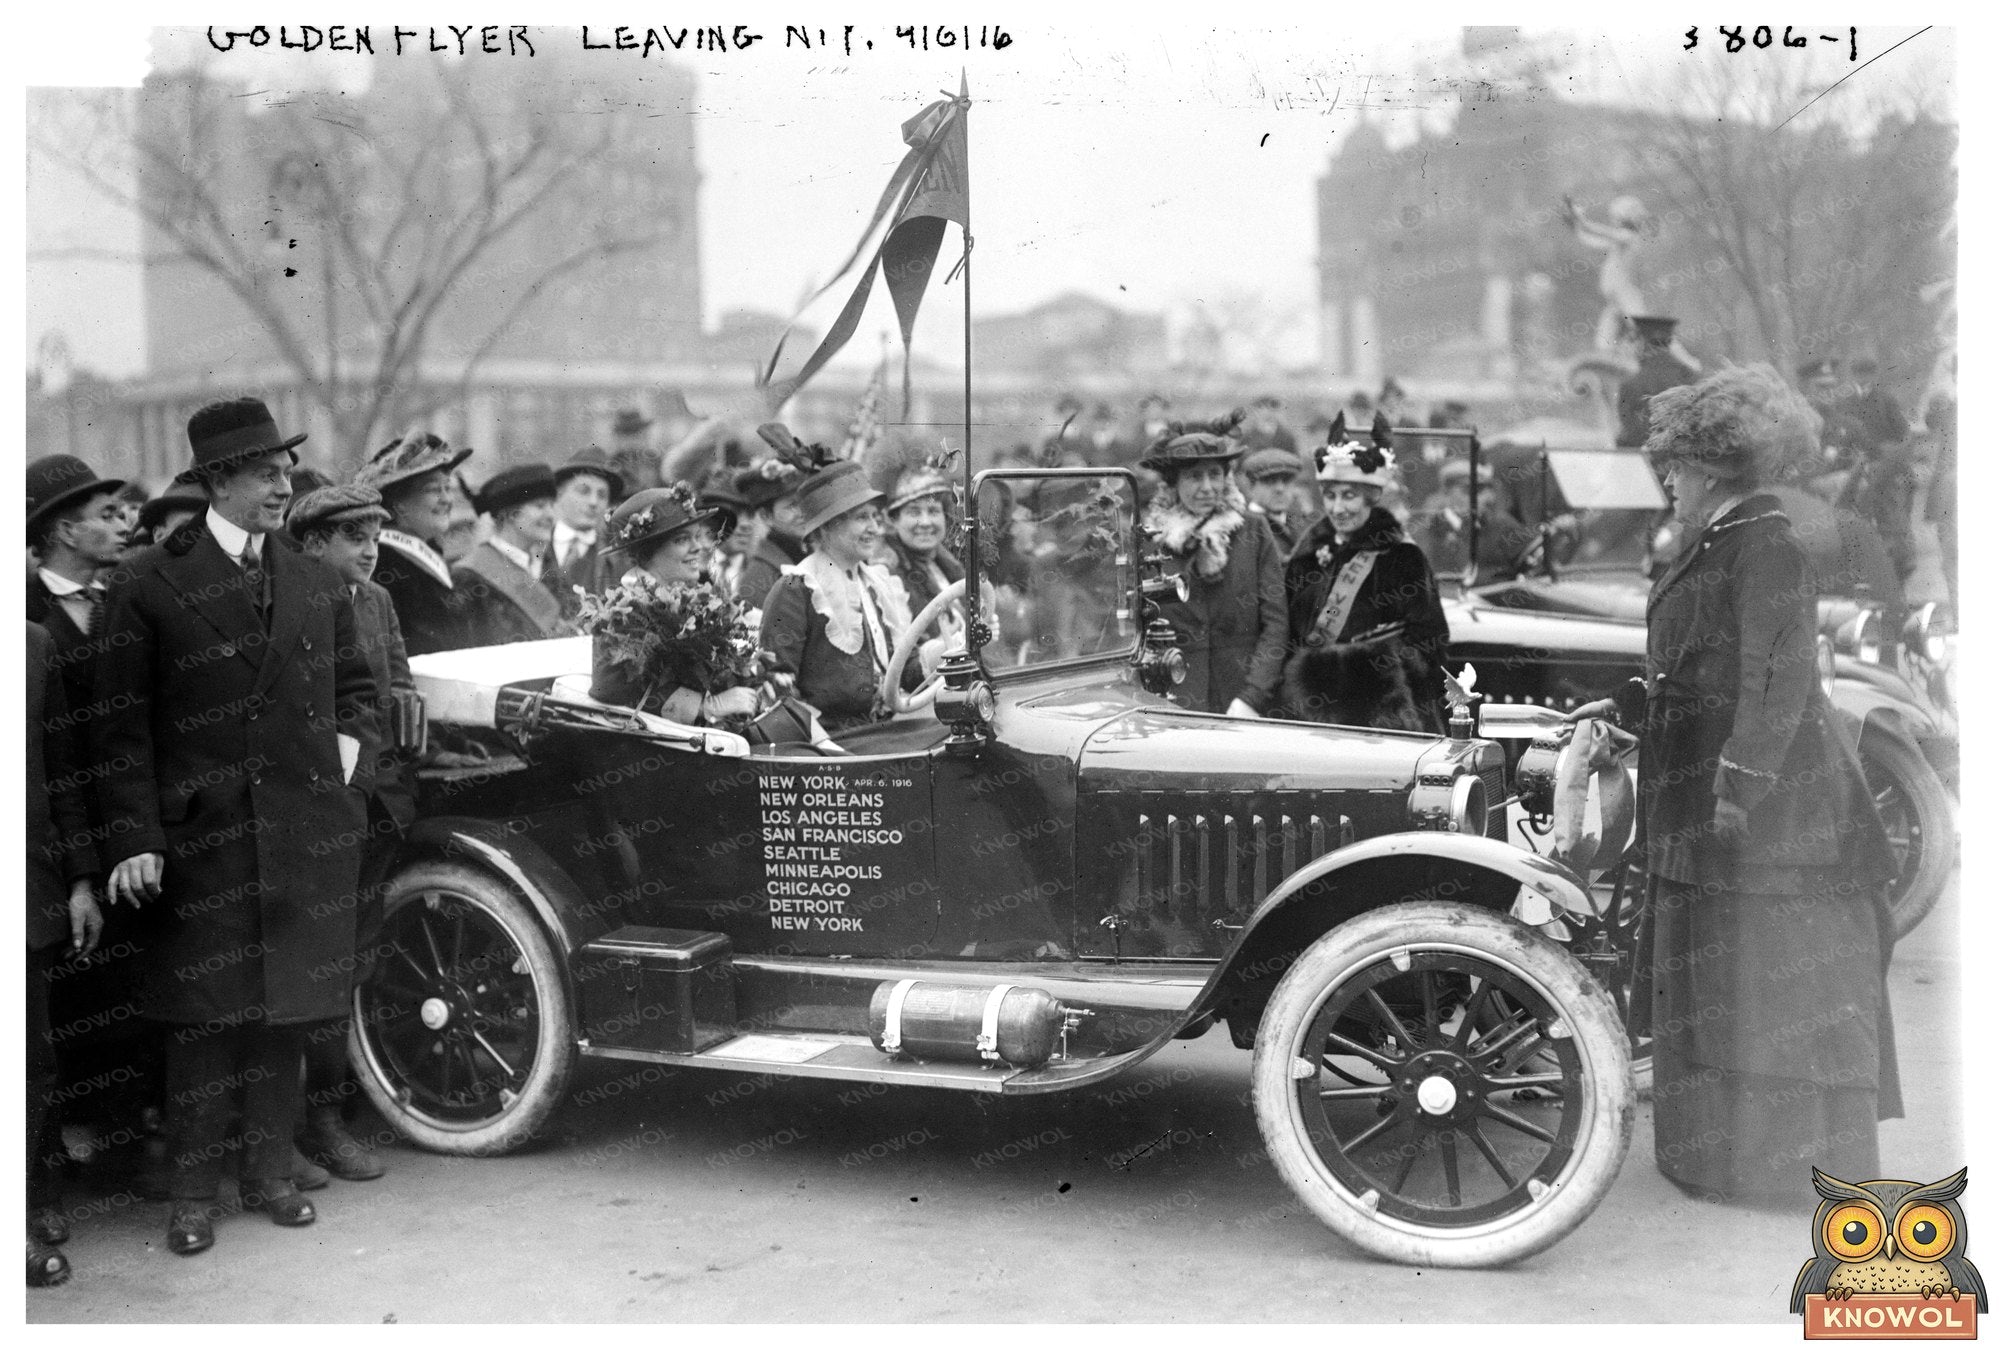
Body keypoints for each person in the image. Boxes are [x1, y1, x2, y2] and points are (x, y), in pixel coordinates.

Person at [1568, 363, 1900, 1204]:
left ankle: (1785, 1171)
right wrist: (1625, 709)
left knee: (1782, 979)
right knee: (1722, 979)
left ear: (1712, 468)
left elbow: (1776, 681)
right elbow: (1692, 671)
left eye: (1674, 468)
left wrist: (1737, 790)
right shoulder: (1719, 543)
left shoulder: (1767, 546)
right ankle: (1718, 1159)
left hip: (1773, 816)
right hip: (1711, 801)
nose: (1667, 483)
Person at [92, 397, 379, 1256]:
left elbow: (359, 695)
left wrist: (342, 768)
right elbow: (118, 726)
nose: (284, 485)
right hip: (202, 839)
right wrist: (136, 836)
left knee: (282, 1013)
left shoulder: (316, 580)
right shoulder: (149, 581)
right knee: (203, 1020)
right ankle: (190, 1195)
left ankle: (268, 1177)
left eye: (287, 470)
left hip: (302, 829)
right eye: (266, 473)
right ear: (218, 481)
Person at [286, 484, 419, 1185]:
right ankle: (292, 1127)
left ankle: (329, 1116)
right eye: (353, 536)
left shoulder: (378, 603)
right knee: (305, 971)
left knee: (349, 965)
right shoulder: (283, 602)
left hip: (372, 809)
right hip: (308, 816)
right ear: (311, 544)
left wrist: (389, 786)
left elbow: (394, 697)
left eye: (375, 535)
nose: (370, 550)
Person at [1281, 412, 1450, 732]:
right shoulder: (1308, 556)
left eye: (1349, 496)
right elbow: (1288, 635)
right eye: (1330, 496)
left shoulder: (1402, 558)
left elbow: (1431, 646)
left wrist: (1363, 667)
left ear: (1371, 499)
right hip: (1307, 717)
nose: (1338, 508)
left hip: (1382, 717)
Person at [28, 621, 104, 1288]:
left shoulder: (31, 644)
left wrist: (80, 879)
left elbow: (62, 776)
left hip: (23, 891)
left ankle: (29, 1203)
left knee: (30, 1065)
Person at [759, 460, 932, 733]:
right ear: (827, 527)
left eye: (876, 517)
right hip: (833, 742)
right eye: (862, 518)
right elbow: (775, 683)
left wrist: (948, 647)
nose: (875, 528)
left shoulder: (878, 583)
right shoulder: (798, 587)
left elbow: (904, 674)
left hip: (884, 731)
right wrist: (817, 740)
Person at [1138, 411, 1286, 717]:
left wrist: (1253, 697)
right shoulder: (1151, 540)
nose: (1207, 487)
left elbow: (1276, 623)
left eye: (1215, 474)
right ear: (1173, 484)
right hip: (1172, 701)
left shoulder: (1253, 530)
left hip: (1242, 702)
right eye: (1194, 476)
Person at [586, 486, 765, 728]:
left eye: (696, 536)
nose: (698, 547)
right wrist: (708, 706)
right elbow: (609, 688)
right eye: (682, 540)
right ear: (649, 552)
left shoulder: (694, 597)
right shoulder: (626, 610)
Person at [356, 430, 474, 655]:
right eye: (433, 490)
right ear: (398, 503)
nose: (447, 500)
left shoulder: (429, 553)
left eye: (447, 488)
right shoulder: (382, 562)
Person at [454, 463, 573, 646]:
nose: (551, 515)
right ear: (509, 513)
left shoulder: (548, 567)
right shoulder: (469, 576)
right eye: (540, 506)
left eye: (551, 505)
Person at [879, 466, 966, 645]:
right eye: (914, 512)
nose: (925, 522)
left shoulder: (947, 564)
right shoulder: (887, 574)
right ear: (894, 520)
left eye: (933, 511)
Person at [1415, 457, 1535, 584]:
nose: (1482, 498)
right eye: (1470, 490)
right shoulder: (1426, 533)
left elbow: (1533, 562)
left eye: (1485, 490)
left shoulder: (1504, 527)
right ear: (1446, 493)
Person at [546, 444, 624, 619]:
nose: (593, 502)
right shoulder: (535, 546)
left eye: (602, 495)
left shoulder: (617, 559)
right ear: (559, 494)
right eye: (583, 491)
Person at [1238, 446, 1308, 554]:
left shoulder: (1299, 521)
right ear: (1251, 487)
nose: (1280, 489)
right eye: (1270, 481)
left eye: (1286, 481)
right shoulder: (1243, 527)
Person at [608, 407, 658, 497]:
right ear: (619, 437)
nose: (634, 440)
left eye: (638, 433)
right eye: (628, 434)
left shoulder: (656, 461)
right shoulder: (610, 466)